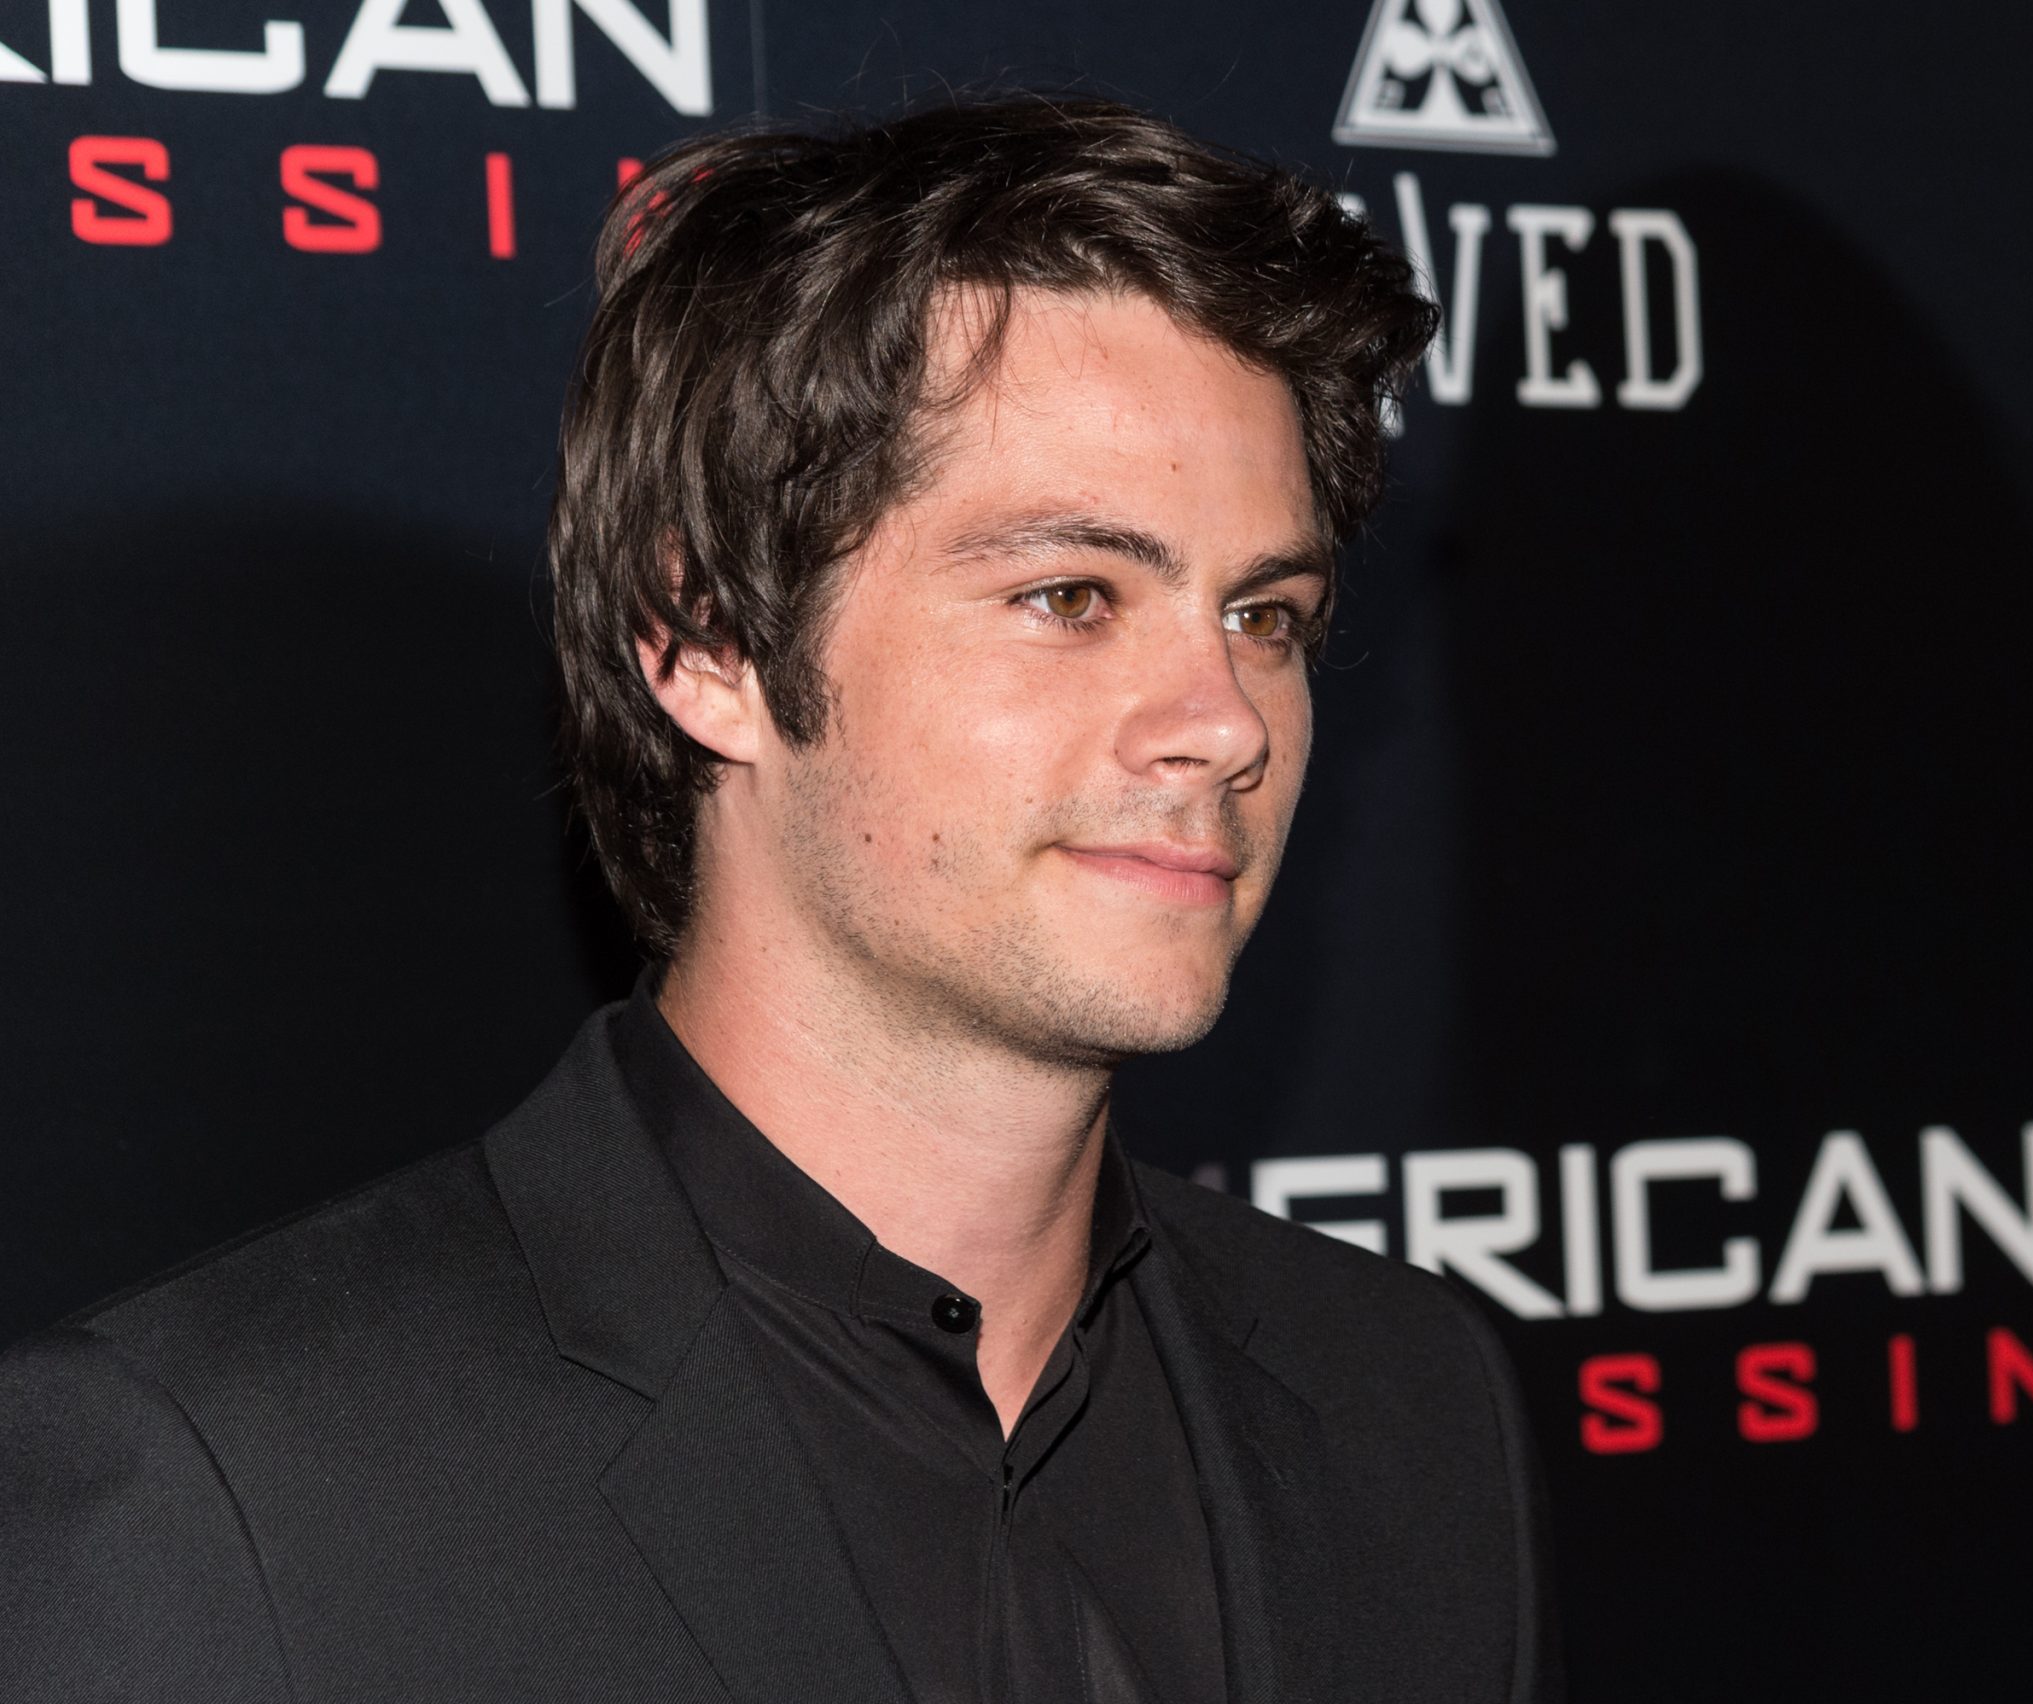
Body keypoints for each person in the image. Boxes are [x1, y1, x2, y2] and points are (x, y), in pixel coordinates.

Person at [0, 98, 1561, 1703]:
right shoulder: (214, 1505)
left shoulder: (1406, 1406)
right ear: (709, 642)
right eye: (1070, 596)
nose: (1227, 722)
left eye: (1265, 615)